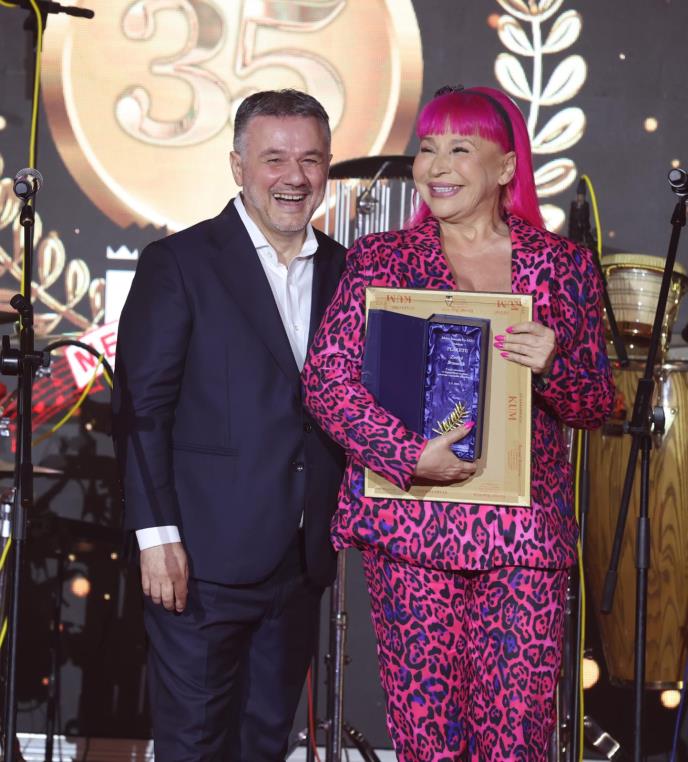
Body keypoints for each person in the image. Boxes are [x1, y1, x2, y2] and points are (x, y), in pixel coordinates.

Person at [302, 85, 615, 761]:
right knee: (427, 741)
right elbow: (327, 379)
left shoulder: (562, 267)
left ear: (506, 167)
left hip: (523, 540)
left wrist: (554, 363)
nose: (437, 165)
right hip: (412, 529)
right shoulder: (381, 258)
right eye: (428, 148)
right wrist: (406, 453)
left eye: (460, 148)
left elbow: (597, 402)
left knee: (516, 740)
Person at [112, 89, 346, 761]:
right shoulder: (180, 263)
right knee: (194, 745)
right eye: (274, 159)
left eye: (310, 159)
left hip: (301, 561)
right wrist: (157, 537)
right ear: (238, 166)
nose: (294, 177)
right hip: (199, 560)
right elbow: (141, 410)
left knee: (263, 744)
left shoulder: (344, 270)